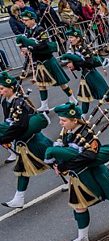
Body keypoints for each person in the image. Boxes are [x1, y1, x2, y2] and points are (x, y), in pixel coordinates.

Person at [47, 102, 109, 241]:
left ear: (74, 120)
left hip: (95, 172)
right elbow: (67, 151)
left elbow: (89, 156)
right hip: (79, 176)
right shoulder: (67, 132)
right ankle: (82, 237)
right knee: (79, 206)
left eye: (63, 120)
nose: (60, 123)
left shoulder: (88, 135)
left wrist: (65, 165)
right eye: (60, 119)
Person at [0, 71, 55, 208]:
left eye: (2, 88)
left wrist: (4, 138)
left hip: (34, 141)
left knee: (56, 161)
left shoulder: (20, 103)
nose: (0, 92)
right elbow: (9, 121)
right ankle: (19, 198)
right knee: (22, 169)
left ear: (11, 88)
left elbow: (21, 125)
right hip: (23, 143)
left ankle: (73, 179)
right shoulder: (5, 102)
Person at [17, 10, 77, 112]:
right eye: (23, 20)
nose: (24, 22)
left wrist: (30, 48)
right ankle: (44, 105)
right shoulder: (28, 31)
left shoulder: (40, 30)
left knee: (61, 82)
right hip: (39, 61)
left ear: (33, 19)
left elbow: (43, 45)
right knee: (41, 84)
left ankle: (72, 99)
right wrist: (24, 49)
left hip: (47, 59)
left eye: (26, 20)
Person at [61, 28, 109, 118]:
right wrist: (74, 66)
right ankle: (83, 116)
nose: (69, 39)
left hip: (92, 74)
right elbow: (81, 64)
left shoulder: (84, 48)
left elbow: (89, 63)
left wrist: (75, 59)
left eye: (71, 37)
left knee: (104, 94)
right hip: (85, 75)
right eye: (69, 37)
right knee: (84, 96)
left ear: (78, 38)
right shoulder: (75, 48)